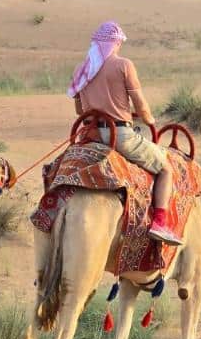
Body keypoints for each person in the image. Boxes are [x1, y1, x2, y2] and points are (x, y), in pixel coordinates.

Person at [69, 21, 180, 245]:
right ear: (115, 43)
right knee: (166, 169)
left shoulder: (82, 68)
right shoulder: (124, 65)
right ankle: (160, 222)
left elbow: (80, 110)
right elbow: (141, 105)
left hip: (90, 135)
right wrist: (148, 118)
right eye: (119, 43)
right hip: (119, 136)